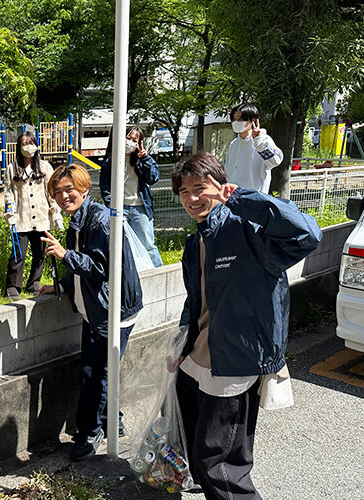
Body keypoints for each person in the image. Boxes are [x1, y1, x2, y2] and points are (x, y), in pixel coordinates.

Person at [171, 152, 320, 499]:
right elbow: (196, 302)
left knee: (220, 464)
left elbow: (307, 235)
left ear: (220, 186)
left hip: (235, 362)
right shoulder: (196, 241)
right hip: (198, 358)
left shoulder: (247, 228)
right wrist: (179, 347)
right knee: (198, 453)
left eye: (200, 188)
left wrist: (241, 199)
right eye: (184, 191)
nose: (193, 199)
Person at [40, 164, 143, 461]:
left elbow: (102, 269)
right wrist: (60, 284)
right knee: (100, 370)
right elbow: (84, 268)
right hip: (96, 309)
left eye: (69, 189)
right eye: (57, 192)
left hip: (113, 310)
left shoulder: (99, 221)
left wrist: (64, 255)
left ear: (85, 189)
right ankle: (114, 420)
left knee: (94, 373)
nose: (63, 196)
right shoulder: (79, 219)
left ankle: (89, 432)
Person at [3, 131, 64, 298]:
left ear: (36, 146)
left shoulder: (45, 167)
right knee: (18, 253)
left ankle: (34, 282)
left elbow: (51, 192)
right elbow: (9, 193)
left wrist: (56, 214)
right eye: (24, 144)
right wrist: (10, 214)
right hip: (21, 218)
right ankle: (13, 285)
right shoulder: (12, 168)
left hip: (42, 218)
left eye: (30, 143)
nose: (27, 147)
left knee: (40, 253)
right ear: (19, 147)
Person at [99, 127, 162, 267]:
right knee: (122, 245)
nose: (130, 143)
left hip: (140, 208)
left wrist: (145, 158)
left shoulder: (143, 159)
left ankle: (157, 273)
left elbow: (153, 178)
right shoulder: (111, 162)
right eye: (128, 138)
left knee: (148, 244)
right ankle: (129, 276)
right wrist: (112, 208)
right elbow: (105, 188)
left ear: (140, 143)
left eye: (135, 140)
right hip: (120, 209)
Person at [225, 103, 284, 193]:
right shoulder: (234, 143)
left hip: (254, 198)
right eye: (233, 119)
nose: (236, 122)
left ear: (253, 121)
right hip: (232, 197)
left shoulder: (263, 141)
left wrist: (259, 141)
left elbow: (275, 161)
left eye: (240, 119)